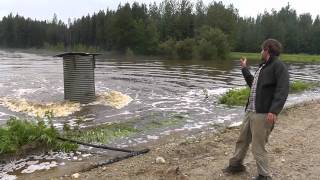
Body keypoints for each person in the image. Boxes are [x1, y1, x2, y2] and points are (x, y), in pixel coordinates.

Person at [222, 39, 289, 180]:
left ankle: (264, 176)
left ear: (267, 50)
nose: (260, 52)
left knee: (258, 146)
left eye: (261, 49)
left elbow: (282, 90)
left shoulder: (278, 66)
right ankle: (236, 165)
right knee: (242, 140)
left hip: (263, 113)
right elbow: (253, 85)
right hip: (251, 111)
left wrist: (274, 110)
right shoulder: (263, 67)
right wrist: (244, 68)